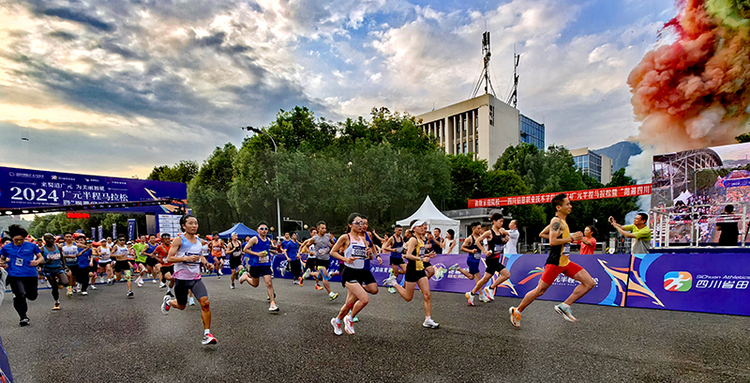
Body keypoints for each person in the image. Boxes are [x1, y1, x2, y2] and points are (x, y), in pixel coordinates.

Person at [509, 193, 595, 328]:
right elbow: (553, 241)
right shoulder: (556, 221)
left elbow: (542, 234)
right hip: (555, 262)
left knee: (589, 283)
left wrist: (570, 236)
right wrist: (572, 238)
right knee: (540, 290)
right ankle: (517, 310)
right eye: (567, 204)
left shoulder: (562, 222)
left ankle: (565, 305)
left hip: (565, 261)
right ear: (559, 207)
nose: (570, 206)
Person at [160, 214, 217, 345]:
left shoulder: (199, 241)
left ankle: (207, 334)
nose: (194, 226)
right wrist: (186, 258)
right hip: (181, 279)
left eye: (195, 223)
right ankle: (168, 302)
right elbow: (169, 259)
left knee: (205, 303)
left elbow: (200, 255)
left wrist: (206, 263)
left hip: (196, 279)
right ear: (184, 226)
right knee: (181, 306)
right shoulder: (179, 240)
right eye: (190, 223)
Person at [383, 220, 440, 329]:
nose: (423, 228)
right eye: (420, 226)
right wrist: (422, 258)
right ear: (414, 229)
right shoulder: (413, 239)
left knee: (427, 295)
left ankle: (428, 319)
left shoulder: (422, 240)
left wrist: (428, 255)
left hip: (421, 270)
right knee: (408, 297)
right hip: (412, 269)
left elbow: (419, 254)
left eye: (423, 226)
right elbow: (408, 255)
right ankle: (394, 283)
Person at [330, 213, 379, 335]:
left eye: (362, 223)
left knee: (349, 303)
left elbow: (370, 256)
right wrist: (346, 259)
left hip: (361, 272)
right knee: (364, 299)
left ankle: (337, 320)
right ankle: (350, 318)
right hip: (349, 273)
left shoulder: (364, 239)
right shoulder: (345, 237)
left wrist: (370, 254)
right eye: (357, 223)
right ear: (350, 224)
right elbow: (333, 252)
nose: (360, 225)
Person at [0, 225, 43, 326]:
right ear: (12, 239)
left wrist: (37, 262)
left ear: (24, 238)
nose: (18, 242)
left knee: (32, 296)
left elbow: (40, 257)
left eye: (21, 240)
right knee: (20, 295)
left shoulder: (31, 246)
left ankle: (25, 296)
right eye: (16, 240)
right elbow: (1, 258)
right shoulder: (7, 247)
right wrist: (2, 262)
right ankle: (23, 317)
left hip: (30, 274)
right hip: (15, 274)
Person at [469, 213, 512, 302]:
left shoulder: (501, 232)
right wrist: (484, 251)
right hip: (491, 259)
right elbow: (477, 241)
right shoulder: (489, 233)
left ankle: (472, 293)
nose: (501, 223)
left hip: (497, 258)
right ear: (494, 222)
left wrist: (506, 239)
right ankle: (491, 288)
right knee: (506, 274)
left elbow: (506, 235)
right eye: (500, 222)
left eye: (502, 222)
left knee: (485, 278)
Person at [238, 222, 279, 312]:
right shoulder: (254, 239)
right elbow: (245, 249)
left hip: (266, 264)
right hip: (255, 265)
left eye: (265, 229)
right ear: (257, 230)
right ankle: (245, 277)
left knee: (269, 283)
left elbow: (266, 249)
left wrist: (271, 252)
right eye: (261, 229)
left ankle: (272, 303)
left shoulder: (268, 239)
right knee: (255, 284)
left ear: (267, 231)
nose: (263, 230)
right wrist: (257, 254)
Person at [450, 222, 489, 305]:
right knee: (478, 276)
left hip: (477, 259)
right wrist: (471, 250)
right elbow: (462, 248)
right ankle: (480, 295)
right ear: (473, 229)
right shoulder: (469, 239)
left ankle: (458, 268)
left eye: (480, 228)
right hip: (471, 260)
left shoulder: (480, 238)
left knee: (471, 277)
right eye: (478, 228)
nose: (479, 230)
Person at [301, 222, 339, 301]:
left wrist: (332, 246)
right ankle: (331, 294)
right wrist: (309, 252)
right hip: (319, 260)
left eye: (325, 228)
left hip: (327, 260)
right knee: (325, 277)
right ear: (318, 229)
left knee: (320, 275)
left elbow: (334, 243)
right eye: (322, 228)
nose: (324, 230)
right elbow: (306, 246)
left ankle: (310, 273)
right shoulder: (314, 239)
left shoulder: (328, 236)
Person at [40, 233, 69, 310]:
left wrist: (65, 266)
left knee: (65, 282)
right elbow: (39, 262)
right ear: (45, 240)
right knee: (54, 287)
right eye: (49, 239)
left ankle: (59, 282)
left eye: (52, 238)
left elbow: (62, 257)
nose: (51, 240)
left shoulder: (58, 247)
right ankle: (56, 302)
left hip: (58, 268)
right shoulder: (42, 250)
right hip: (48, 270)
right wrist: (46, 262)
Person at [382, 225, 406, 294]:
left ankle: (394, 271)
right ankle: (391, 287)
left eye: (401, 230)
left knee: (406, 270)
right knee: (396, 274)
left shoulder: (401, 238)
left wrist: (404, 250)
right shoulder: (392, 238)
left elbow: (402, 246)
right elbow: (385, 247)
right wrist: (392, 249)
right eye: (399, 230)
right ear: (395, 230)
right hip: (394, 257)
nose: (400, 232)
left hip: (400, 257)